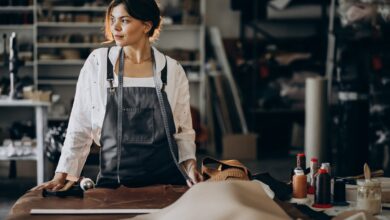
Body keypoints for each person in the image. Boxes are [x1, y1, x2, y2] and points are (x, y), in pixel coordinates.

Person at [33, 0, 202, 191]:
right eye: (112, 19)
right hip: (114, 185)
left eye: (125, 20)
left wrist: (191, 167)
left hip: (166, 184)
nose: (115, 27)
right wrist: (61, 175)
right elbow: (80, 126)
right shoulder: (98, 63)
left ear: (146, 26)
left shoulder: (172, 69)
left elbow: (183, 133)